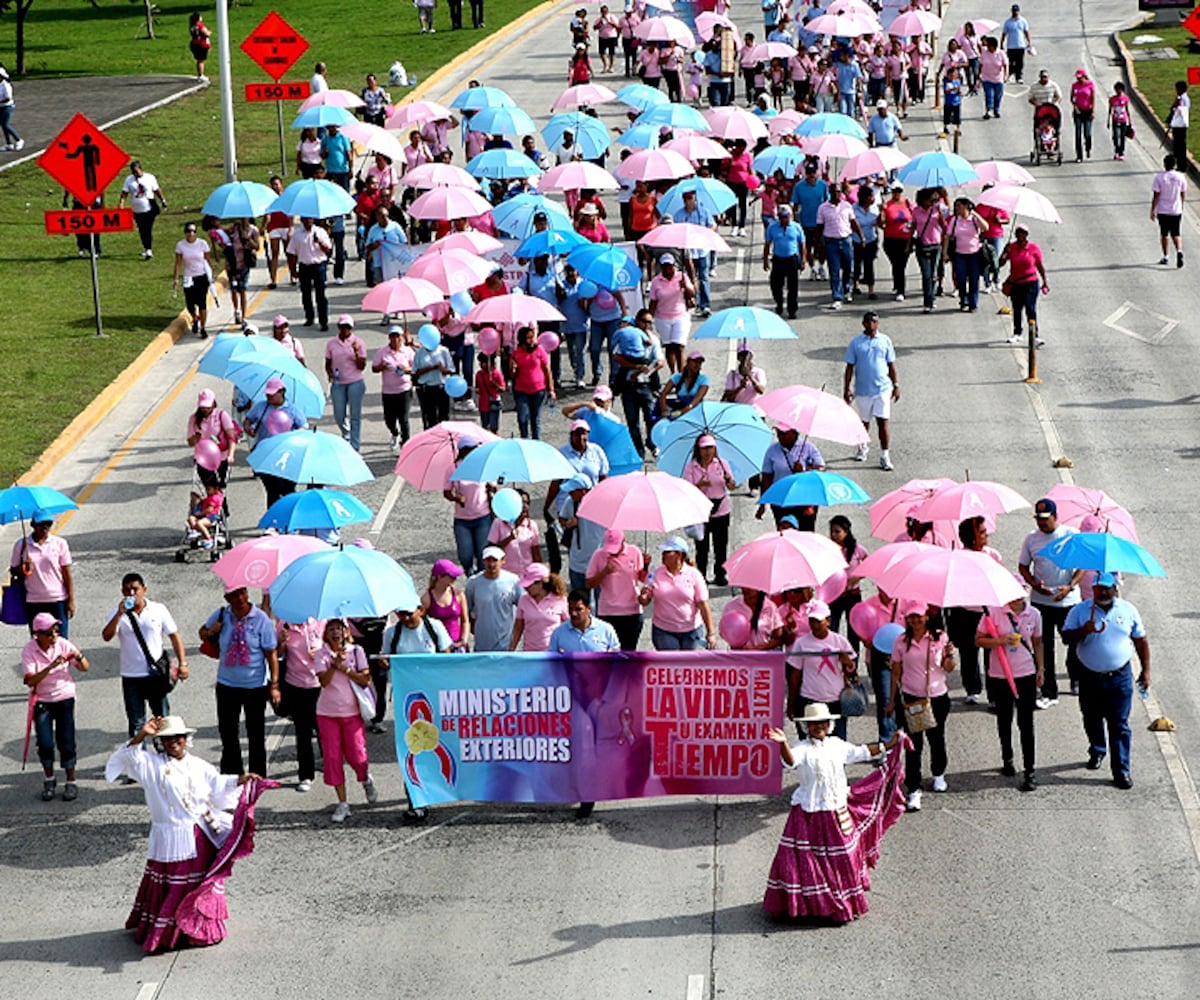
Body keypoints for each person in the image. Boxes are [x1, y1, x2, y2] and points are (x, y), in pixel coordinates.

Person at [104, 715, 271, 953]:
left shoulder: (198, 765)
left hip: (200, 834)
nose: (173, 742)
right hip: (170, 837)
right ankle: (170, 934)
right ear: (160, 742)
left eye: (178, 737)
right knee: (174, 886)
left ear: (186, 739)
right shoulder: (151, 764)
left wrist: (241, 780)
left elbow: (218, 786)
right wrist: (142, 734)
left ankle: (199, 929)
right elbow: (125, 758)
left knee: (199, 884)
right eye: (167, 738)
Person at [762, 704, 904, 923]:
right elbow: (790, 761)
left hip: (836, 810)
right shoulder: (801, 748)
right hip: (809, 813)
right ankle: (813, 906)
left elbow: (862, 752)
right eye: (813, 724)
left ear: (829, 725)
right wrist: (783, 745)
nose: (819, 727)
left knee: (843, 856)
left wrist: (890, 744)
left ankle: (840, 902)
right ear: (806, 726)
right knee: (807, 860)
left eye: (822, 723)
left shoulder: (837, 745)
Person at [1063, 573, 1150, 790]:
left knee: (1119, 724)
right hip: (1089, 676)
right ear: (1092, 589)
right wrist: (1084, 630)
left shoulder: (1128, 610)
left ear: (1115, 589)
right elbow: (1066, 638)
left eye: (1107, 588)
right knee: (1091, 717)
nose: (1102, 592)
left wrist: (1146, 670)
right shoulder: (1080, 611)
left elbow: (1140, 640)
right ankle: (1097, 749)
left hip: (1119, 677)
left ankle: (1121, 770)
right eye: (1098, 588)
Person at [198, 587, 280, 777]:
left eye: (242, 593)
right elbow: (202, 633)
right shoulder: (221, 615)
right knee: (228, 733)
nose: (240, 598)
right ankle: (232, 776)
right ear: (227, 598)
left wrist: (274, 685)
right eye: (234, 595)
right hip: (227, 684)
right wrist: (211, 631)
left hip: (255, 686)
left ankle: (257, 776)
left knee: (256, 734)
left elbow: (271, 654)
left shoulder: (261, 619)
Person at [886, 600, 957, 812]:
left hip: (936, 697)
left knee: (936, 738)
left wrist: (950, 654)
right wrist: (891, 701)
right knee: (913, 745)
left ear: (927, 616)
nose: (916, 620)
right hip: (911, 698)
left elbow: (949, 668)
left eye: (919, 616)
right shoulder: (900, 641)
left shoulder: (940, 637)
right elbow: (896, 672)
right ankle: (914, 788)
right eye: (911, 617)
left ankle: (938, 774)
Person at [102, 572, 188, 740]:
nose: (132, 594)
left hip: (155, 674)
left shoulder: (158, 609)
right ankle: (139, 759)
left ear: (144, 590)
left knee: (162, 719)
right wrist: (119, 614)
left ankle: (164, 754)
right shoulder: (117, 614)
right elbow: (106, 636)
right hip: (131, 676)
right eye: (127, 590)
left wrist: (183, 663)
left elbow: (175, 636)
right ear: (122, 592)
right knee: (136, 723)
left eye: (135, 589)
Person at [977, 586, 1043, 791]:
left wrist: (1041, 668)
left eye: (1019, 595)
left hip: (1026, 673)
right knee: (1004, 719)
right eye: (1011, 596)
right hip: (1000, 675)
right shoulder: (993, 611)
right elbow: (978, 640)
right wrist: (1000, 641)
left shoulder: (1034, 614)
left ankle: (1030, 770)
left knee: (1026, 722)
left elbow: (1038, 642)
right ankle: (1008, 759)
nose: (1015, 600)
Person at [1018, 498, 1083, 708]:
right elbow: (1023, 567)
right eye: (1039, 519)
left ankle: (1076, 677)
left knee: (1074, 641)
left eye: (1045, 519)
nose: (1042, 523)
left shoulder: (1070, 535)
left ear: (1056, 517)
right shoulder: (1031, 539)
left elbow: (1082, 566)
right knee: (1044, 646)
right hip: (1041, 602)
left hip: (1068, 601)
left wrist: (1070, 586)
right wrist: (1035, 586)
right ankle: (1048, 691)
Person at [313, 620, 377, 823]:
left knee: (357, 756)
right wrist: (334, 664)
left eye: (338, 629)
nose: (335, 633)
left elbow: (366, 679)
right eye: (330, 629)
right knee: (332, 758)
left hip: (351, 714)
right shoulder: (321, 654)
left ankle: (365, 778)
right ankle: (343, 803)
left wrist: (346, 668)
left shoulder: (357, 651)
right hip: (327, 713)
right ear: (326, 635)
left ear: (346, 632)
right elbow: (323, 681)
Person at [24, 612, 89, 802]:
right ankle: (49, 779)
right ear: (38, 634)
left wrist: (79, 656)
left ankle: (71, 781)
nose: (54, 636)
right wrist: (50, 667)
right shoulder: (29, 651)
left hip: (64, 697)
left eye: (55, 631)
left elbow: (85, 667)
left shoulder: (63, 644)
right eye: (49, 633)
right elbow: (30, 680)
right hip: (42, 701)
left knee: (66, 741)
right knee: (45, 743)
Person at [787, 601, 857, 740]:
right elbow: (795, 675)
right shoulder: (801, 643)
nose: (815, 625)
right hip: (810, 700)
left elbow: (852, 673)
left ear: (828, 621)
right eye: (812, 621)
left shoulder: (840, 641)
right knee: (810, 744)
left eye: (818, 621)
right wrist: (791, 703)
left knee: (838, 742)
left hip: (836, 700)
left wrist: (848, 662)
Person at [843, 311, 899, 471]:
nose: (871, 325)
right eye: (868, 322)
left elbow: (891, 365)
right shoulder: (856, 343)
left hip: (882, 389)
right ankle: (862, 447)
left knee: (883, 422)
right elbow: (849, 367)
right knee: (864, 423)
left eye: (874, 322)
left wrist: (896, 385)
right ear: (863, 324)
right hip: (862, 390)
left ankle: (885, 455)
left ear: (878, 323)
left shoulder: (885, 340)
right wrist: (847, 388)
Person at [639, 536, 716, 650]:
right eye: (664, 551)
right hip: (663, 631)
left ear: (679, 555)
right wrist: (643, 596)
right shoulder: (656, 573)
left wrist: (711, 633)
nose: (663, 554)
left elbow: (703, 605)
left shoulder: (694, 575)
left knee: (688, 666)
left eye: (668, 552)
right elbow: (644, 601)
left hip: (691, 631)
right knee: (670, 664)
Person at [242, 377, 308, 508]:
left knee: (287, 489)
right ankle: (272, 522)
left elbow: (304, 426)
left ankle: (289, 519)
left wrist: (293, 435)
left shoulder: (292, 410)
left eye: (273, 394)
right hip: (266, 454)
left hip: (286, 456)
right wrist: (248, 428)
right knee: (272, 490)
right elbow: (248, 419)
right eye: (268, 394)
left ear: (282, 392)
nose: (270, 397)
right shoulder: (261, 407)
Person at [277, 616, 325, 790]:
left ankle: (328, 762)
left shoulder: (320, 621)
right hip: (295, 684)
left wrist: (320, 653)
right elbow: (279, 655)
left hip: (319, 684)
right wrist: (281, 643)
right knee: (302, 731)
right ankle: (306, 775)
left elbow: (335, 645)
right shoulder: (284, 624)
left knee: (322, 728)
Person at [11, 508, 75, 636]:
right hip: (34, 601)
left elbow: (67, 573)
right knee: (38, 642)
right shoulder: (22, 545)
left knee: (61, 641)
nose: (45, 527)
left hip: (58, 600)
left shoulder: (59, 543)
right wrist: (24, 567)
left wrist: (71, 600)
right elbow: (14, 571)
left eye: (48, 523)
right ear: (33, 524)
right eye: (41, 523)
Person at [682, 435, 736, 586]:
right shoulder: (691, 467)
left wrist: (729, 481)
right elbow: (686, 490)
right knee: (702, 547)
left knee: (720, 546)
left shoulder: (722, 464)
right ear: (698, 449)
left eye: (710, 448)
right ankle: (701, 576)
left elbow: (732, 486)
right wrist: (698, 485)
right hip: (701, 512)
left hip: (721, 509)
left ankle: (720, 574)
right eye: (704, 448)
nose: (707, 452)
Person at [611, 312, 663, 457]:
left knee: (651, 418)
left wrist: (648, 370)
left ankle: (652, 443)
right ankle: (638, 451)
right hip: (628, 385)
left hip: (646, 385)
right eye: (644, 322)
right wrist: (635, 367)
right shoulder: (627, 336)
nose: (647, 325)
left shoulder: (653, 339)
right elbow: (617, 356)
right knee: (632, 422)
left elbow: (660, 361)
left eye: (650, 322)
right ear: (637, 321)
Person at [584, 528, 645, 650]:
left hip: (631, 611)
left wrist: (646, 565)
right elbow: (589, 584)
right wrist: (604, 572)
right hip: (608, 612)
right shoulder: (598, 555)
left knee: (629, 653)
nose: (612, 552)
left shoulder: (634, 552)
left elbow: (642, 578)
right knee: (608, 653)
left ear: (623, 541)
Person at [756, 425, 825, 525]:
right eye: (778, 433)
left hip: (804, 500)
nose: (780, 437)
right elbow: (767, 477)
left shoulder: (808, 447)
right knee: (784, 534)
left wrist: (804, 469)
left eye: (784, 434)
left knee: (805, 534)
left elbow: (821, 468)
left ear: (794, 433)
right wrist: (763, 503)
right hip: (780, 500)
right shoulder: (772, 450)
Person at [444, 442, 492, 577]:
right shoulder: (453, 468)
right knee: (465, 555)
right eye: (471, 449)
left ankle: (480, 581)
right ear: (463, 451)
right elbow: (446, 492)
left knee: (483, 555)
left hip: (483, 517)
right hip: (462, 520)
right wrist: (456, 499)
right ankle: (470, 574)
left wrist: (493, 490)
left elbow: (492, 486)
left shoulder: (483, 466)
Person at [999, 225, 1048, 346]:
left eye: (1023, 233)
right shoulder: (1011, 248)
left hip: (1031, 282)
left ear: (1027, 235)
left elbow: (1039, 265)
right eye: (1018, 233)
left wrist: (1044, 280)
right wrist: (1005, 252)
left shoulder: (1033, 248)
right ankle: (1017, 333)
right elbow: (1000, 263)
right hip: (1016, 283)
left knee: (1030, 308)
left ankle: (1034, 335)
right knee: (1017, 308)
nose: (1020, 235)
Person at [324, 315, 368, 451]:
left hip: (355, 382)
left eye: (348, 327)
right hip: (338, 383)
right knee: (339, 415)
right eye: (343, 327)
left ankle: (355, 446)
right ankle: (346, 433)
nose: (345, 330)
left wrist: (356, 352)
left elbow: (362, 366)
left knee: (355, 415)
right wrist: (330, 373)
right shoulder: (331, 343)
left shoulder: (358, 342)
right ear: (338, 327)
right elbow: (328, 362)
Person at [465, 546, 522, 652]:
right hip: (481, 645)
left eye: (495, 560)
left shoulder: (513, 581)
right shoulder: (473, 583)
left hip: (506, 645)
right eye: (488, 560)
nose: (491, 564)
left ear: (503, 561)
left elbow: (523, 608)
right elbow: (467, 610)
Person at [817, 185, 863, 309]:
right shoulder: (823, 208)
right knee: (834, 270)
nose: (837, 194)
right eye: (834, 192)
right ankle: (837, 297)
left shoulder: (847, 206)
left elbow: (853, 222)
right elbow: (820, 227)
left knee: (849, 268)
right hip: (831, 242)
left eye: (838, 192)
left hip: (846, 240)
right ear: (830, 193)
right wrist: (819, 243)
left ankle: (846, 289)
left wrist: (861, 237)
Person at [648, 254, 695, 373]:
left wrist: (685, 287)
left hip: (680, 316)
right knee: (670, 347)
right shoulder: (656, 281)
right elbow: (653, 302)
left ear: (674, 265)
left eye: (670, 265)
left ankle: (681, 374)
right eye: (665, 266)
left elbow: (692, 293)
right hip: (662, 318)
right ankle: (673, 373)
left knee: (679, 346)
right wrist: (649, 319)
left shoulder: (682, 277)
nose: (668, 268)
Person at [372, 325, 415, 452]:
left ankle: (406, 444)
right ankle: (395, 433)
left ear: (401, 338)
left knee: (404, 418)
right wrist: (382, 366)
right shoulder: (383, 352)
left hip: (404, 389)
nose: (395, 339)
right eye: (392, 336)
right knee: (389, 419)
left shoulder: (408, 351)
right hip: (388, 391)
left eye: (397, 336)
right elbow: (374, 368)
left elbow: (416, 368)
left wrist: (407, 370)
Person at [286, 216, 332, 331]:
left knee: (320, 295)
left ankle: (323, 321)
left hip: (318, 266)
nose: (308, 222)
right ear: (302, 221)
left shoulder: (320, 232)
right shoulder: (297, 235)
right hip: (304, 266)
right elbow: (291, 253)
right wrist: (292, 271)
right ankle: (309, 317)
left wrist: (319, 242)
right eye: (305, 219)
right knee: (306, 294)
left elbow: (328, 250)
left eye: (310, 219)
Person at [510, 325, 556, 439]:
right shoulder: (516, 354)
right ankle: (525, 441)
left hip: (538, 390)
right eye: (528, 338)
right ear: (522, 340)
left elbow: (547, 370)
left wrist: (551, 389)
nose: (531, 341)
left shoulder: (539, 350)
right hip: (521, 391)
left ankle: (537, 442)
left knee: (535, 418)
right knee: (522, 418)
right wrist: (513, 369)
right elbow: (512, 376)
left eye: (532, 337)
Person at [510, 563, 569, 651]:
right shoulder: (523, 600)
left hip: (553, 652)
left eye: (529, 586)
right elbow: (518, 627)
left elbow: (568, 625)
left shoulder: (560, 600)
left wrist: (566, 645)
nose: (526, 588)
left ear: (541, 583)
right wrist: (511, 649)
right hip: (529, 652)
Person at [487, 488, 542, 580]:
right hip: (505, 575)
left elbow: (536, 553)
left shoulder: (531, 525)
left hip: (526, 575)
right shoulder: (498, 523)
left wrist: (540, 574)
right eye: (522, 503)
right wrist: (509, 538)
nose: (525, 506)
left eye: (527, 503)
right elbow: (491, 550)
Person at [761, 203, 804, 319]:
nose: (783, 219)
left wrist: (802, 260)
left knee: (793, 287)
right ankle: (779, 304)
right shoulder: (772, 227)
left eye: (785, 217)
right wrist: (765, 261)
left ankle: (792, 310)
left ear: (790, 216)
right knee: (775, 285)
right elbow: (767, 244)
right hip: (778, 259)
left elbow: (802, 244)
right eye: (781, 217)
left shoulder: (796, 227)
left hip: (792, 259)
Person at [944, 197, 987, 312]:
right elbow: (947, 236)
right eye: (956, 206)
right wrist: (945, 253)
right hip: (959, 254)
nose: (957, 208)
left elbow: (985, 227)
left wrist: (975, 214)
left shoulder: (973, 219)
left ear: (966, 206)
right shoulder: (954, 220)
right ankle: (963, 300)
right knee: (961, 279)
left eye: (959, 206)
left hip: (974, 254)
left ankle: (973, 304)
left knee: (974, 279)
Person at [173, 221, 214, 338]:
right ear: (185, 233)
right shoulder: (181, 245)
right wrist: (176, 279)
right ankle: (195, 318)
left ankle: (203, 327)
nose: (191, 234)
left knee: (202, 303)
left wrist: (211, 274)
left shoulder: (202, 244)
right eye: (189, 231)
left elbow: (208, 260)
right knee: (190, 303)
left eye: (193, 231)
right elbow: (178, 263)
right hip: (188, 277)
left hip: (201, 276)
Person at [118, 161, 167, 259]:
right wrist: (121, 203)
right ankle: (146, 248)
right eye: (133, 172)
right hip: (137, 209)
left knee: (147, 228)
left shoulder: (150, 178)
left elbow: (156, 190)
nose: (135, 174)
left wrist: (163, 200)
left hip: (149, 207)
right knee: (141, 229)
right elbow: (124, 193)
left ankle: (149, 250)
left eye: (136, 171)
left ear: (141, 169)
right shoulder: (129, 180)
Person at [422, 559, 472, 650]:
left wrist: (464, 639)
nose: (455, 578)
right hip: (438, 646)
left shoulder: (459, 595)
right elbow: (422, 624)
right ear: (440, 577)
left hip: (458, 643)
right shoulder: (427, 599)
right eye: (452, 576)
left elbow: (465, 620)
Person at [549, 589, 621, 652]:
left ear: (589, 609)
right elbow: (552, 662)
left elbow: (616, 656)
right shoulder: (558, 633)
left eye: (578, 609)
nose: (573, 613)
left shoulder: (606, 630)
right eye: (570, 609)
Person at [910, 187, 945, 314]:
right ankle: (927, 302)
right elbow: (913, 227)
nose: (931, 201)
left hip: (936, 244)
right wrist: (909, 244)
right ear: (922, 200)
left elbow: (944, 226)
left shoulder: (936, 210)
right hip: (922, 245)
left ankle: (932, 297)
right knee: (926, 275)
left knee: (933, 274)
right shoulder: (916, 211)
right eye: (929, 199)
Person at [413, 326, 454, 429]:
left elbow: (451, 370)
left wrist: (442, 369)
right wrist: (431, 368)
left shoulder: (444, 351)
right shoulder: (420, 353)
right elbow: (415, 372)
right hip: (427, 389)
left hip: (442, 387)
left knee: (444, 418)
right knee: (430, 419)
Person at [1151, 154, 1187, 269]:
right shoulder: (1180, 177)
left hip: (1163, 209)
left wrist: (1152, 210)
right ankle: (1179, 251)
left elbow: (1156, 195)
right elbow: (1183, 193)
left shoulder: (1159, 177)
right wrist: (1181, 204)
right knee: (1176, 233)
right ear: (1175, 165)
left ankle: (1166, 256)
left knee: (1164, 233)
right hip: (1176, 209)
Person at [880, 183, 913, 301]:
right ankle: (898, 285)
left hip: (905, 239)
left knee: (901, 265)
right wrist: (882, 212)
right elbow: (881, 223)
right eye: (894, 191)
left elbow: (914, 218)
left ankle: (901, 290)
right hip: (891, 239)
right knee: (896, 264)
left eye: (899, 191)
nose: (897, 193)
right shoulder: (887, 205)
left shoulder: (907, 203)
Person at [851, 184, 880, 301]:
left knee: (869, 264)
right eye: (871, 196)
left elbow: (879, 223)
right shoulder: (854, 209)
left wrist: (882, 214)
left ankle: (871, 289)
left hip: (871, 239)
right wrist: (860, 236)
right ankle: (855, 284)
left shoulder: (875, 208)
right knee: (857, 263)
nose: (873, 199)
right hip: (856, 240)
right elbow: (851, 224)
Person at [1069, 69, 1096, 161]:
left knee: (1087, 133)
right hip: (1078, 112)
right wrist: (1075, 106)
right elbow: (1072, 98)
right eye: (1077, 77)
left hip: (1087, 111)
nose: (1078, 79)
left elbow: (1093, 98)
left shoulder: (1090, 84)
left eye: (1080, 77)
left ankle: (1088, 148)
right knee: (1078, 134)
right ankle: (1079, 155)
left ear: (1084, 76)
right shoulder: (1075, 85)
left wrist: (1093, 111)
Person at [979, 37, 1008, 119]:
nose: (988, 48)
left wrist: (1005, 76)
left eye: (989, 46)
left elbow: (1005, 65)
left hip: (998, 78)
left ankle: (996, 109)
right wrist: (979, 75)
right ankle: (989, 110)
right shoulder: (984, 52)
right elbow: (981, 64)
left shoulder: (1001, 53)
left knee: (998, 96)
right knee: (989, 95)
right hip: (986, 78)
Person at [1001, 3, 1030, 84]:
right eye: (1014, 11)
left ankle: (1019, 76)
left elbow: (1026, 32)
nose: (1015, 12)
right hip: (1011, 46)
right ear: (1011, 11)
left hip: (1020, 45)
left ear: (1019, 11)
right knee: (1010, 62)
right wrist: (1001, 43)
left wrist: (1029, 42)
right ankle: (1009, 75)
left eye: (1016, 11)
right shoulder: (1008, 22)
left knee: (1020, 62)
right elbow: (1004, 33)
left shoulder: (1023, 21)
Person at [0, 62, 24, 151]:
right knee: (3, 125)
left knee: (6, 125)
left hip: (7, 107)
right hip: (0, 107)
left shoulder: (6, 85)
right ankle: (9, 144)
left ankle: (18, 140)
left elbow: (8, 98)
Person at [1168, 80, 1190, 168]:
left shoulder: (1182, 99)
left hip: (1179, 125)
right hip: (1179, 124)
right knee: (1178, 145)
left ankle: (1181, 165)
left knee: (1179, 146)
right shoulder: (1183, 98)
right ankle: (1180, 164)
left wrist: (1174, 105)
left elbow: (1180, 110)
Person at [1107, 81, 1131, 161]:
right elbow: (1110, 110)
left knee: (1122, 136)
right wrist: (1108, 120)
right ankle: (1116, 149)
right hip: (1115, 119)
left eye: (1119, 89)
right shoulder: (1112, 99)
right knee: (1116, 136)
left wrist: (1129, 120)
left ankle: (1121, 152)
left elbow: (1127, 109)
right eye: (1116, 89)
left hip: (1123, 120)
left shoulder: (1125, 98)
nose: (1118, 91)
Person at [188, 12, 211, 81]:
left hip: (194, 43)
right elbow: (206, 33)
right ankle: (201, 75)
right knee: (201, 60)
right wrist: (209, 32)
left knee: (199, 60)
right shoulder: (200, 25)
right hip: (201, 44)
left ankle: (199, 74)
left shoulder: (192, 26)